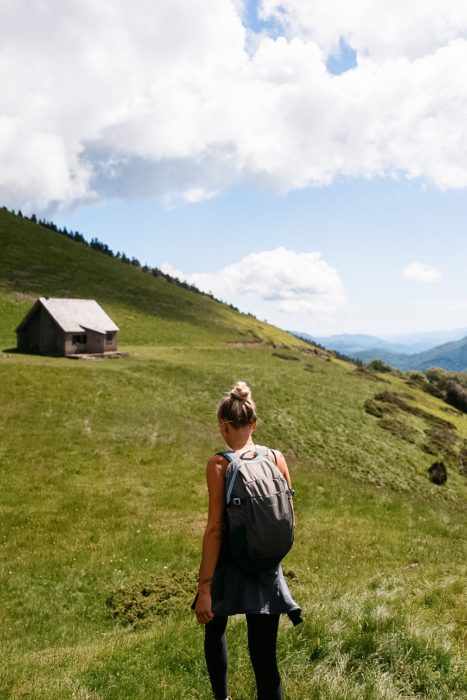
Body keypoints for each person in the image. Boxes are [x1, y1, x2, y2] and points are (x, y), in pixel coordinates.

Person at [193, 381, 302, 700]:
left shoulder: (220, 464)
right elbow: (289, 512)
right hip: (266, 565)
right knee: (265, 659)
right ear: (253, 424)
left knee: (214, 630)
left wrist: (204, 590)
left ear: (223, 425)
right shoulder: (276, 457)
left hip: (229, 561)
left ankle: (222, 697)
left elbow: (214, 528)